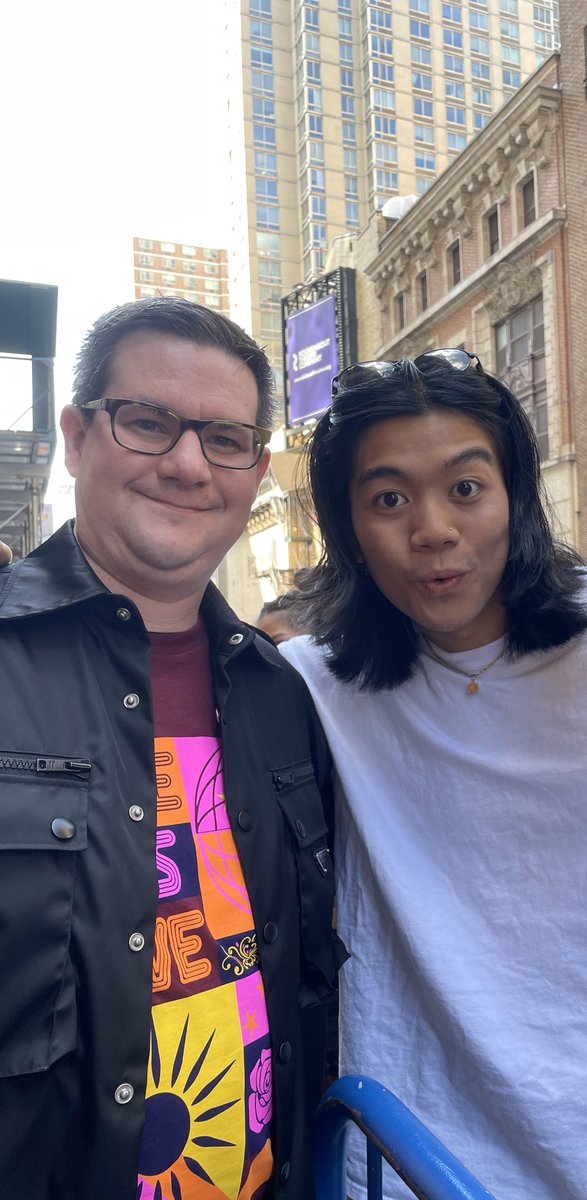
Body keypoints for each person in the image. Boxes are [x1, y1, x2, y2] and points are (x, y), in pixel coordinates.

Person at [0, 297, 346, 1200]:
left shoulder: (285, 692)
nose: (188, 464)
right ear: (76, 437)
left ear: (255, 468)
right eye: (148, 423)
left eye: (224, 439)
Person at [281, 349, 587, 1200]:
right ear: (345, 527)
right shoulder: (309, 682)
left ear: (515, 496)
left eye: (464, 487)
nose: (432, 530)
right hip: (411, 1153)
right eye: (388, 499)